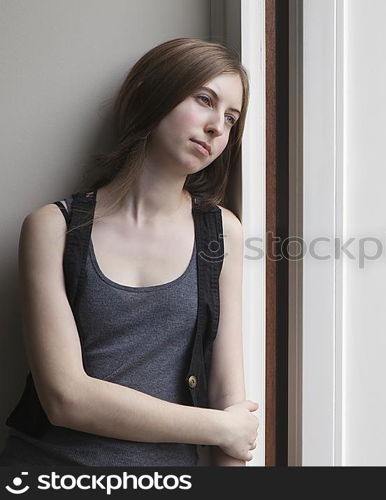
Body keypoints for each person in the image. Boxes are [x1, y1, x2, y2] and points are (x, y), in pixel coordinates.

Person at [0, 38, 259, 466]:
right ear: (151, 93)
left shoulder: (221, 232)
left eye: (231, 118)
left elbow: (229, 399)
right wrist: (216, 427)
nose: (217, 127)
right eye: (204, 100)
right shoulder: (53, 228)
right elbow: (66, 398)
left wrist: (227, 430)